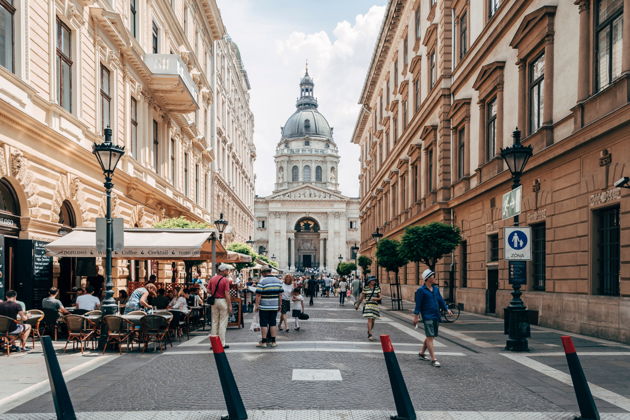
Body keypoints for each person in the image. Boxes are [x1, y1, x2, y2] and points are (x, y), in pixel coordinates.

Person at [413, 269, 451, 368]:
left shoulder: (436, 289)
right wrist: (416, 316)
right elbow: (418, 305)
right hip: (427, 316)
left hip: (436, 316)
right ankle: (434, 359)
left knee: (431, 336)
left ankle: (421, 353)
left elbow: (441, 300)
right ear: (428, 278)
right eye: (433, 276)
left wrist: (447, 309)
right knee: (430, 337)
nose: (434, 277)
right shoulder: (421, 291)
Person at [254, 267, 283, 348]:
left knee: (263, 324)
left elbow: (258, 295)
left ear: (263, 273)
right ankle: (273, 341)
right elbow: (280, 295)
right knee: (273, 323)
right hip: (274, 306)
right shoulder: (278, 281)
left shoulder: (262, 281)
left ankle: (264, 342)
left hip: (264, 306)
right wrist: (280, 305)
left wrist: (256, 305)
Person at [207, 264, 233, 349]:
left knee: (214, 322)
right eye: (227, 270)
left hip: (214, 301)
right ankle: (222, 344)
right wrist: (230, 305)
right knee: (222, 323)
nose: (228, 272)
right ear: (223, 270)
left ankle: (213, 344)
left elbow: (208, 290)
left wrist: (214, 293)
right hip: (222, 301)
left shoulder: (212, 279)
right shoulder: (225, 280)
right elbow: (227, 293)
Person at [355, 276, 381, 341]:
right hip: (368, 305)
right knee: (370, 319)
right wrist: (358, 305)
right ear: (369, 281)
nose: (374, 281)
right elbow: (361, 297)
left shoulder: (377, 288)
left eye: (374, 280)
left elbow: (380, 297)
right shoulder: (366, 288)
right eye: (372, 280)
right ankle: (370, 334)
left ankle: (369, 331)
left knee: (373, 321)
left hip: (375, 305)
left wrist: (376, 298)